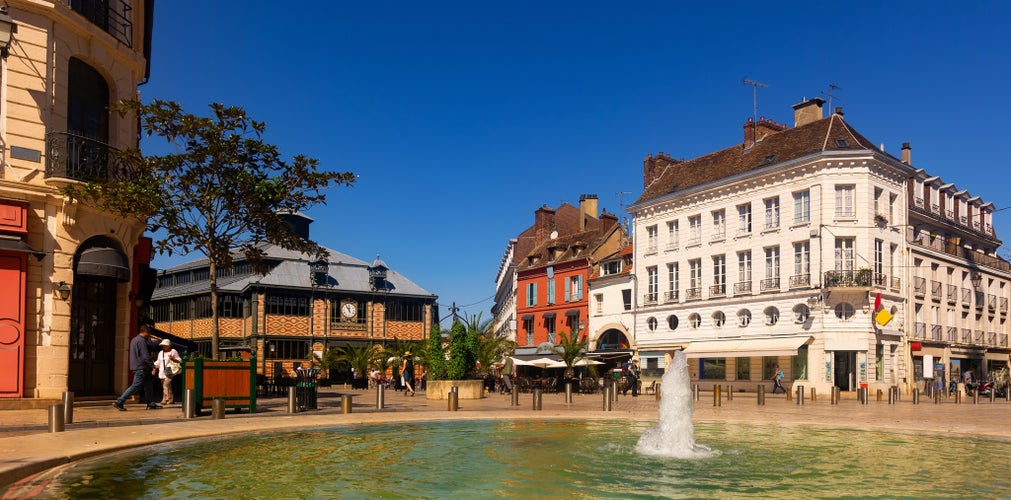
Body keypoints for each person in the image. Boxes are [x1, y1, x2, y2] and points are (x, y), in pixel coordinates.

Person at [113, 325, 162, 410]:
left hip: (138, 366)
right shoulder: (142, 341)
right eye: (149, 333)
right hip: (141, 367)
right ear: (145, 332)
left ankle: (151, 403)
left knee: (148, 386)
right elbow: (145, 355)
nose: (149, 335)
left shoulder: (134, 340)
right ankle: (120, 401)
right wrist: (152, 365)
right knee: (136, 385)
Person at [153, 339, 182, 405]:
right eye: (163, 346)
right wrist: (154, 369)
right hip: (161, 371)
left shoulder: (173, 351)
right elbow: (158, 361)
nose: (164, 347)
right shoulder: (161, 352)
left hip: (169, 369)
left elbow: (180, 360)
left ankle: (164, 399)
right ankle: (171, 400)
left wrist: (173, 359)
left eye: (165, 345)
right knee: (168, 386)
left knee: (165, 385)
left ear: (169, 346)